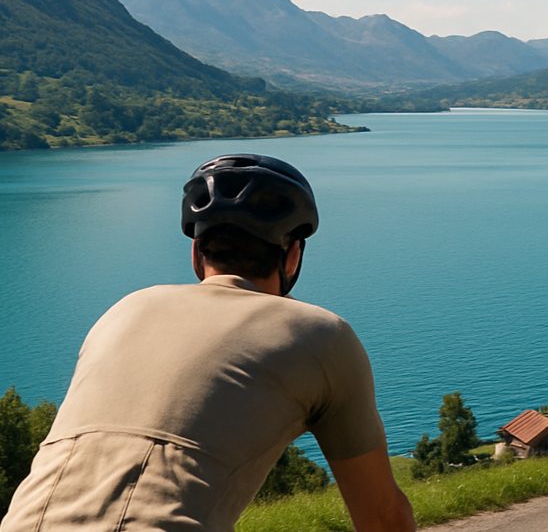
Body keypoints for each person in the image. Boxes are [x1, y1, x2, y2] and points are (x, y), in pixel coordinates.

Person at [1, 154, 415, 532]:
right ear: (292, 256)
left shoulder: (124, 310)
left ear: (197, 252)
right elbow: (381, 517)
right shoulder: (320, 334)